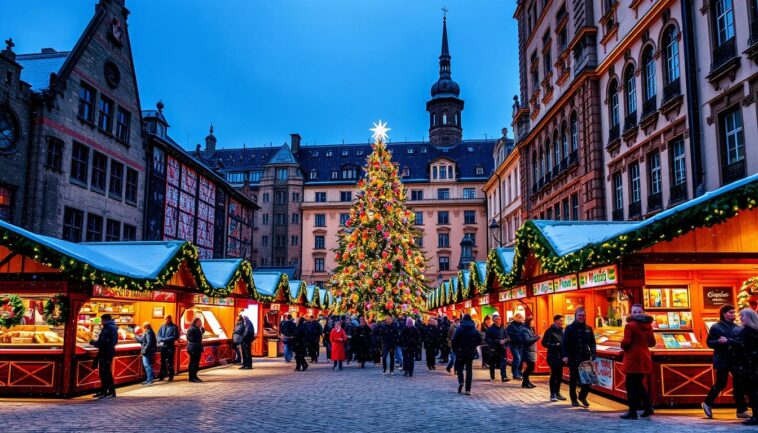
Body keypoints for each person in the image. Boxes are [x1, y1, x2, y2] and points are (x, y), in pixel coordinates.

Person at [702, 304, 749, 419]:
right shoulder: (716, 327)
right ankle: (707, 403)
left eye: (734, 312)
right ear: (724, 314)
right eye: (731, 312)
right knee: (721, 383)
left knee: (739, 384)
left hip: (736, 359)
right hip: (723, 359)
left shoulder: (738, 327)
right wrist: (718, 341)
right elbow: (709, 343)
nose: (734, 314)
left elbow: (741, 343)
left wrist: (730, 341)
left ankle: (741, 410)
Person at [619, 304, 656, 419]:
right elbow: (652, 343)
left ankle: (632, 411)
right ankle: (648, 407)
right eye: (635, 312)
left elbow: (626, 343)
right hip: (644, 357)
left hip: (633, 359)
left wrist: (622, 345)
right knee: (639, 384)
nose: (637, 314)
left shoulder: (630, 326)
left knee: (630, 385)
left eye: (638, 312)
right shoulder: (648, 326)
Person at [562, 307, 596, 407]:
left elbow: (592, 342)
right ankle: (573, 399)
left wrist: (593, 353)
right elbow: (565, 343)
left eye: (584, 315)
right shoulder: (569, 328)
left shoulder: (588, 329)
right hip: (573, 357)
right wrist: (565, 355)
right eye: (580, 315)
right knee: (573, 379)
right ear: (575, 316)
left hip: (585, 357)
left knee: (588, 379)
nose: (582, 317)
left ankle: (582, 396)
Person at [737, 309, 758, 426]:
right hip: (753, 365)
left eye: (742, 316)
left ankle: (756, 416)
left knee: (752, 391)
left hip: (749, 366)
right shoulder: (754, 330)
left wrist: (730, 342)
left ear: (749, 317)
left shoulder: (748, 331)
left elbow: (743, 347)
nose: (740, 318)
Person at [451, 314, 481, 395]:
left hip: (460, 352)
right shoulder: (474, 329)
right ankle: (468, 389)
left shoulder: (459, 329)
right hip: (470, 352)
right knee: (469, 370)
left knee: (459, 368)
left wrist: (455, 349)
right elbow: (479, 340)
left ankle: (461, 381)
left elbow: (454, 340)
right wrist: (473, 346)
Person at [90, 314, 118, 398]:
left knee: (105, 372)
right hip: (109, 351)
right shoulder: (113, 327)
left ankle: (107, 392)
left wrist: (92, 342)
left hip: (105, 352)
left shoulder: (108, 328)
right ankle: (106, 391)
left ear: (105, 320)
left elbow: (102, 342)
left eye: (101, 320)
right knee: (106, 372)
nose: (101, 322)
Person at [541, 315, 566, 401]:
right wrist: (554, 345)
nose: (562, 322)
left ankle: (558, 392)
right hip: (553, 356)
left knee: (559, 375)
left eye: (563, 321)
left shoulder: (563, 330)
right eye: (560, 321)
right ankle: (552, 394)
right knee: (554, 375)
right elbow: (543, 343)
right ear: (555, 321)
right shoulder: (549, 331)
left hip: (561, 356)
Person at [485, 314, 510, 383]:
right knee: (492, 363)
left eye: (500, 319)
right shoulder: (490, 329)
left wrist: (505, 340)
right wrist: (498, 341)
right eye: (497, 319)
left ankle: (504, 377)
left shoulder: (503, 328)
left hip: (502, 348)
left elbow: (508, 337)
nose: (499, 320)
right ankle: (492, 377)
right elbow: (487, 339)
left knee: (503, 363)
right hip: (494, 349)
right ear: (494, 320)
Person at [156, 315, 178, 382]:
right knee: (162, 362)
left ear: (170, 319)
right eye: (164, 319)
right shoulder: (162, 326)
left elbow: (175, 336)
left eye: (166, 319)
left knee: (170, 362)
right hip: (163, 347)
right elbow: (158, 334)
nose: (165, 320)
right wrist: (159, 339)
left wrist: (163, 339)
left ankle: (171, 376)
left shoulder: (174, 327)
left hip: (170, 347)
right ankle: (162, 375)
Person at [520, 316, 540, 388]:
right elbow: (527, 341)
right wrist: (538, 337)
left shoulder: (530, 329)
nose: (534, 323)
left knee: (530, 367)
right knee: (530, 367)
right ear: (529, 322)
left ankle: (526, 382)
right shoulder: (524, 330)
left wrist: (536, 336)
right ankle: (525, 382)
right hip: (527, 351)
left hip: (531, 351)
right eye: (533, 322)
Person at [507, 314, 525, 380]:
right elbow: (510, 335)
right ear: (515, 318)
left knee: (521, 359)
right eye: (519, 317)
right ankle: (515, 374)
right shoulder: (511, 326)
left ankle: (519, 372)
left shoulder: (523, 325)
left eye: (521, 317)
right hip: (513, 344)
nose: (520, 319)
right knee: (517, 358)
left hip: (521, 345)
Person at [186, 317, 204, 383]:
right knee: (193, 363)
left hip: (196, 347)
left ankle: (195, 376)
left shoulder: (198, 328)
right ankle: (191, 377)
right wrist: (198, 340)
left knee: (196, 363)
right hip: (193, 348)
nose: (201, 322)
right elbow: (189, 338)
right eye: (200, 321)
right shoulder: (192, 329)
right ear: (196, 322)